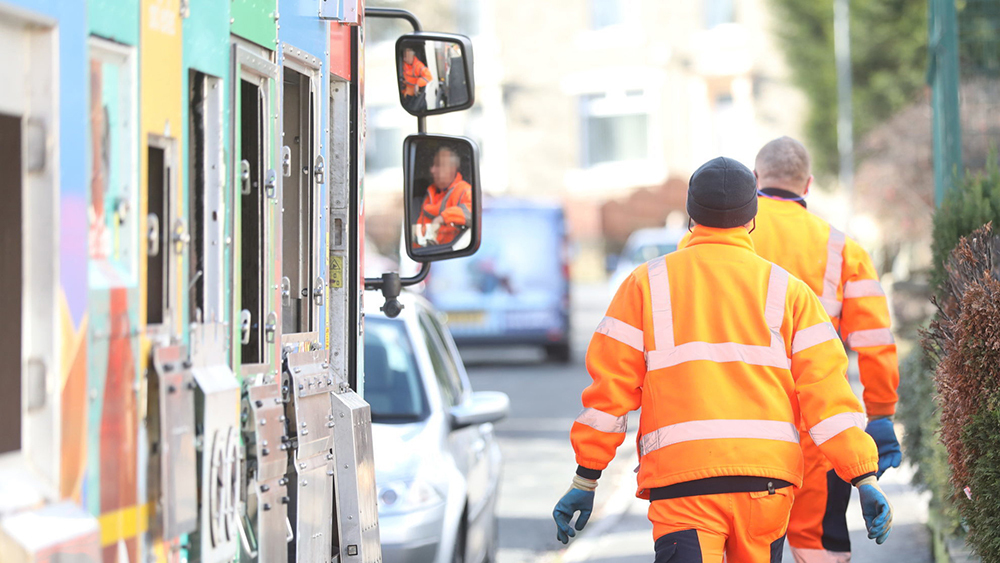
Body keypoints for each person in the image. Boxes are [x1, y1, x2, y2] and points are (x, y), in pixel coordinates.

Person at [552, 157, 893, 563]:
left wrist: (586, 477)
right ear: (752, 219)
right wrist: (863, 477)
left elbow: (609, 395)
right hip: (766, 485)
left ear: (691, 215)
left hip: (684, 485)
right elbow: (828, 396)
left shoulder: (645, 284)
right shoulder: (790, 292)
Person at [748, 137, 901, 563]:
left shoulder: (730, 240)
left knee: (748, 545)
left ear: (756, 178)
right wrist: (882, 414)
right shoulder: (842, 248)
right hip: (821, 427)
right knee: (817, 548)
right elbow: (874, 341)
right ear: (808, 184)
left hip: (742, 423)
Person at [414, 146, 472, 247]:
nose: (432, 170)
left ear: (452, 168)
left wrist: (441, 219)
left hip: (449, 256)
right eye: (432, 165)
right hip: (426, 254)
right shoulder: (430, 195)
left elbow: (472, 212)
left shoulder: (465, 191)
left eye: (438, 165)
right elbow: (420, 231)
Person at [401, 47, 432, 113]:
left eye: (406, 56)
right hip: (405, 92)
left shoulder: (419, 66)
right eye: (404, 56)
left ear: (412, 57)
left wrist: (418, 84)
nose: (404, 58)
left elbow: (429, 77)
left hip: (413, 96)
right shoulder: (404, 65)